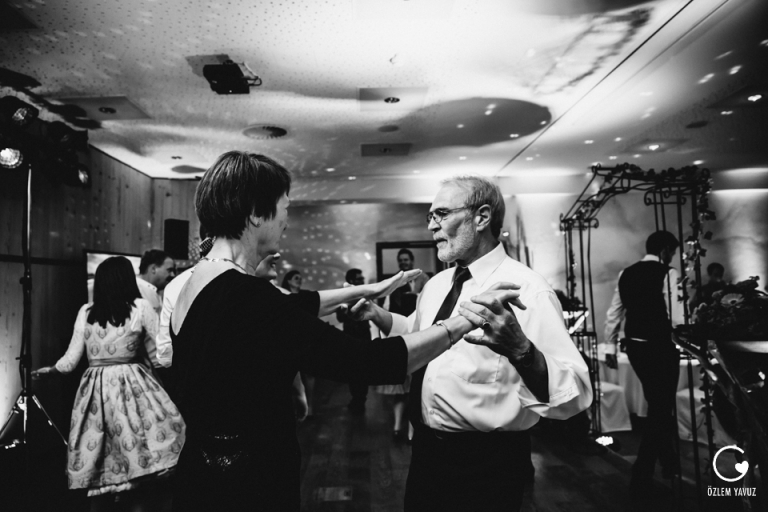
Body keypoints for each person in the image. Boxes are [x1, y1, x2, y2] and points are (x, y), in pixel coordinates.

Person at [168, 151, 519, 511]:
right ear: (257, 213)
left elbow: (289, 309)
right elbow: (368, 362)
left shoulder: (203, 281)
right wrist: (465, 320)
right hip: (243, 483)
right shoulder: (247, 297)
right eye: (285, 210)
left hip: (204, 471)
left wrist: (367, 290)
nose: (286, 223)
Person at [350, 175, 592, 512]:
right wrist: (380, 315)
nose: (432, 227)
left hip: (487, 462)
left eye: (442, 214)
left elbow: (575, 391)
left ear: (481, 217)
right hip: (425, 452)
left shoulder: (527, 290)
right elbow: (421, 334)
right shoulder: (436, 284)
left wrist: (521, 350)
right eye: (430, 217)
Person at [32, 256, 185, 509]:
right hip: (134, 388)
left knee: (100, 458)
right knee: (139, 458)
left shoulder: (86, 312)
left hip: (95, 391)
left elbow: (70, 361)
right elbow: (161, 354)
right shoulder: (140, 307)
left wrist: (51, 370)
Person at [604, 230, 684, 499]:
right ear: (664, 250)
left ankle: (669, 460)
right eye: (671, 252)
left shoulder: (626, 273)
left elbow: (615, 311)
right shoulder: (668, 273)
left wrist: (609, 345)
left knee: (657, 404)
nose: (672, 257)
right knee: (661, 408)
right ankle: (643, 472)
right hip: (660, 347)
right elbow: (677, 317)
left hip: (635, 348)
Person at [336, 268, 371, 414]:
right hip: (350, 337)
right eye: (358, 278)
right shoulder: (342, 297)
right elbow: (340, 317)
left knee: (363, 369)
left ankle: (361, 399)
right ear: (351, 281)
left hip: (363, 336)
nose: (362, 280)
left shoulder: (365, 294)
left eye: (362, 278)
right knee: (352, 370)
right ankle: (356, 398)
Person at [388, 248, 430, 315]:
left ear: (412, 261)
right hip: (401, 314)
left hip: (420, 312)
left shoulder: (422, 276)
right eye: (400, 260)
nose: (403, 262)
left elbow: (429, 295)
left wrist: (416, 295)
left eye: (406, 260)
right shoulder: (395, 278)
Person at [136, 249, 177, 315]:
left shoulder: (155, 291)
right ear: (153, 269)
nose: (173, 275)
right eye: (170, 270)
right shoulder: (135, 290)